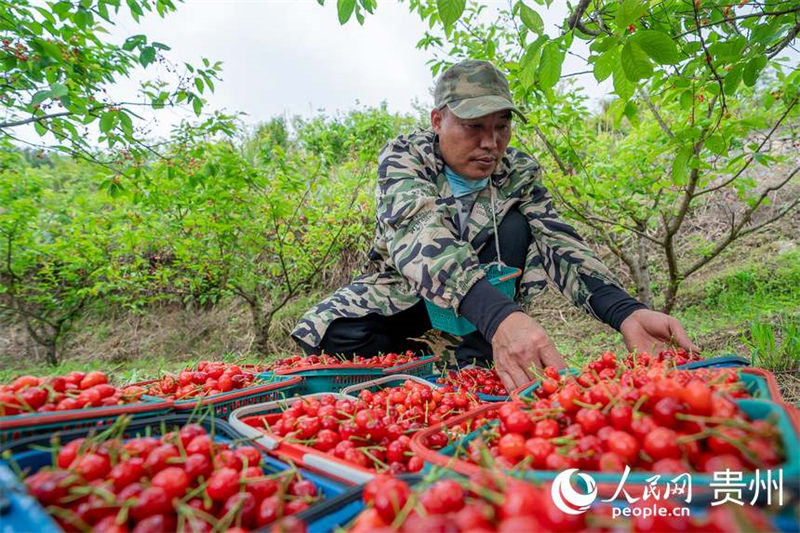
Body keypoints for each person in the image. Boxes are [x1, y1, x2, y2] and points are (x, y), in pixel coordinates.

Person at [291, 59, 697, 391]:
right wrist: (503, 318)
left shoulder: (517, 171)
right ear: (437, 121)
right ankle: (428, 359)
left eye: (501, 126)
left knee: (518, 223)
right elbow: (420, 233)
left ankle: (474, 358)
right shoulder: (404, 157)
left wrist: (624, 311)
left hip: (483, 306)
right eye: (474, 127)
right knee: (336, 334)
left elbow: (558, 241)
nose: (491, 143)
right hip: (409, 296)